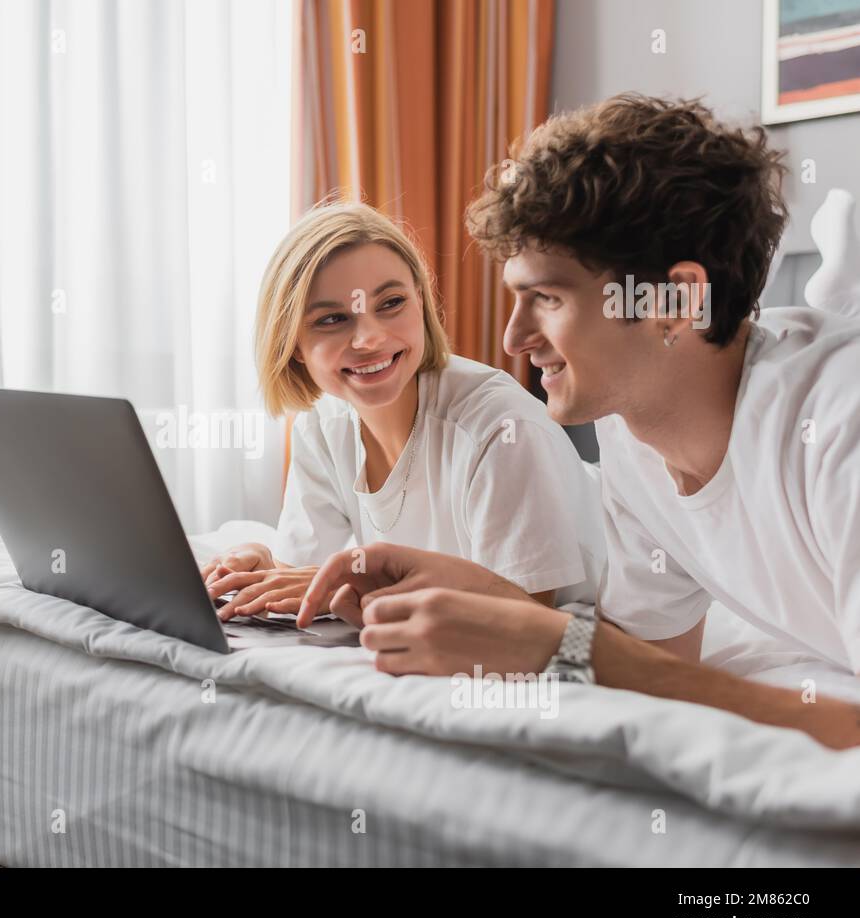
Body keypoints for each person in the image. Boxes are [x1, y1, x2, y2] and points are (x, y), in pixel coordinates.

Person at [297, 95, 860, 750]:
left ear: (674, 300)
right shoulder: (634, 435)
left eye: (548, 298)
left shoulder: (837, 425)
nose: (512, 338)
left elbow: (618, 663)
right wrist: (486, 595)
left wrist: (559, 644)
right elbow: (659, 663)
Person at [202, 201, 603, 621]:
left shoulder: (501, 427)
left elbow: (527, 619)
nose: (370, 339)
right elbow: (299, 572)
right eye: (333, 318)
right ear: (293, 346)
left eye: (391, 303)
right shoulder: (322, 423)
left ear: (420, 302)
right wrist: (262, 563)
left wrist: (356, 584)